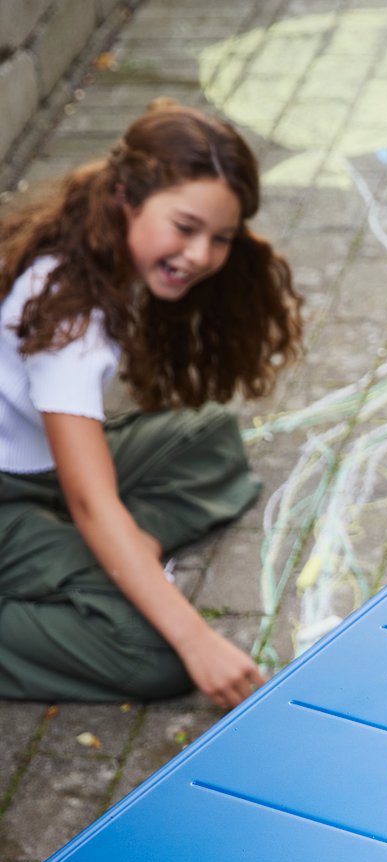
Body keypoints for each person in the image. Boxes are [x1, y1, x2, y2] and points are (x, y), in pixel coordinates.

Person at [0, 99, 302, 708]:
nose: (200, 255)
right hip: (12, 496)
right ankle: (102, 560)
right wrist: (196, 639)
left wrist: (119, 537)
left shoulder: (93, 249)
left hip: (40, 468)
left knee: (209, 438)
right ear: (124, 197)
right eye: (185, 227)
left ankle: (118, 550)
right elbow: (90, 500)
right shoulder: (67, 320)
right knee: (154, 656)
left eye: (220, 238)